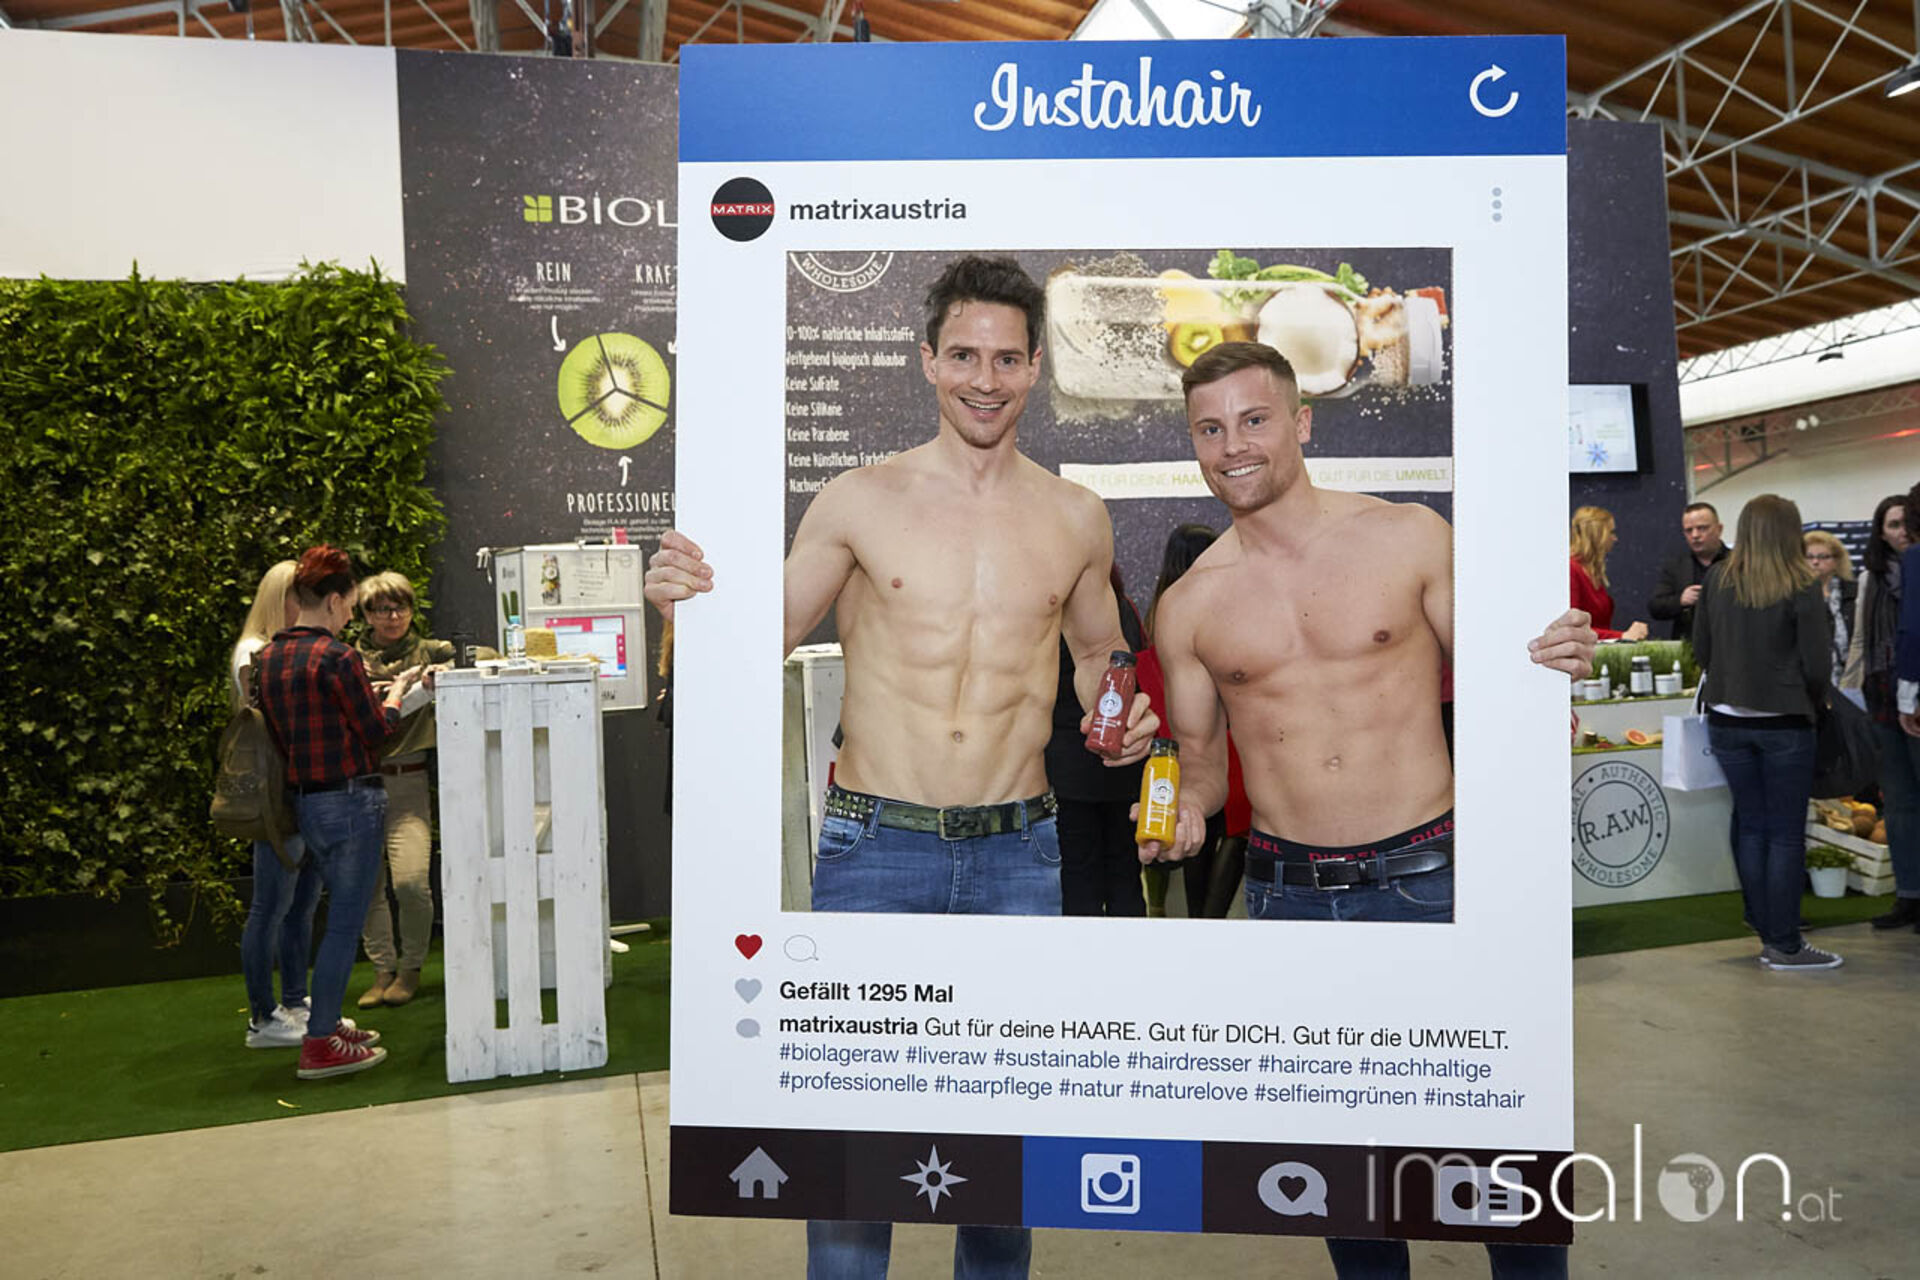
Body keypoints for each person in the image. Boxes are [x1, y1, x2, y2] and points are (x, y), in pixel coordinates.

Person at [644, 255, 1155, 1280]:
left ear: (1036, 366)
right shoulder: (858, 500)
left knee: (1000, 1155)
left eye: (1005, 359)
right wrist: (679, 607)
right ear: (927, 360)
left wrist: (1122, 713)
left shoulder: (1075, 514)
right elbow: (753, 640)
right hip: (877, 850)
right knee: (852, 1157)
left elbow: (1101, 652)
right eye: (963, 355)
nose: (984, 379)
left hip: (1020, 855)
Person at [1144, 342, 1595, 1279]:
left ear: (1303, 422)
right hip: (1289, 899)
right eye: (1210, 429)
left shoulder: (1409, 537)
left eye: (1255, 419)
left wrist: (1554, 656)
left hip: (1437, 878)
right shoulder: (1188, 606)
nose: (1233, 446)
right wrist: (1183, 811)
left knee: (1495, 1157)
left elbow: (1508, 680)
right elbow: (1205, 771)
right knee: (1345, 1177)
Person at [258, 545, 420, 1079]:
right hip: (352, 799)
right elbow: (375, 731)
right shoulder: (338, 657)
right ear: (332, 600)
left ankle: (323, 1024)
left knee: (329, 919)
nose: (352, 614)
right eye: (350, 604)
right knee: (344, 926)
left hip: (305, 802)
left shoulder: (271, 656)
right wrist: (395, 696)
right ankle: (321, 1041)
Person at [1691, 495, 1840, 969]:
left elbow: (1701, 649)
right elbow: (1817, 665)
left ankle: (1764, 926)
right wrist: (1813, 701)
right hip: (1786, 721)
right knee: (1785, 833)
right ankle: (1785, 943)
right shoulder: (1800, 583)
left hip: (1726, 720)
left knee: (1751, 825)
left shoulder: (1717, 579)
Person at [232, 560, 325, 1049]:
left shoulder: (280, 649)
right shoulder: (255, 651)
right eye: (298, 595)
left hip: (301, 789)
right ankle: (262, 1015)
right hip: (276, 794)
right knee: (271, 906)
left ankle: (293, 1001)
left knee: (300, 905)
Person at [1136, 523, 1251, 919]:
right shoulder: (1214, 610)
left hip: (1172, 737)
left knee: (1194, 826)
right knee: (1232, 832)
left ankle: (1196, 918)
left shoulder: (1160, 611)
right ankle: (1209, 918)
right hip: (1224, 736)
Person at [353, 571, 455, 1009]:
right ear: (366, 614)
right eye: (381, 609)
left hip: (408, 781)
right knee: (365, 886)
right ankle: (382, 969)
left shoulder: (430, 652)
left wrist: (443, 673)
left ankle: (411, 967)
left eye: (400, 607)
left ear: (412, 610)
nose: (392, 617)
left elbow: (479, 656)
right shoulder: (349, 660)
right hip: (358, 783)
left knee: (411, 882)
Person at [1045, 565, 1149, 917]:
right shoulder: (1125, 609)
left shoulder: (1052, 617)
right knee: (1125, 877)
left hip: (1066, 769)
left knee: (1078, 880)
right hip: (1123, 763)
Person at [1848, 493, 1919, 930]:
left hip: (1914, 693)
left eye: (1906, 522)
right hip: (1879, 694)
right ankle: (1909, 894)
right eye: (1893, 524)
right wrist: (1849, 690)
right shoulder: (1869, 579)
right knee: (1898, 799)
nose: (1902, 531)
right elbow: (1860, 638)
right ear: (1881, 532)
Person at [1649, 501, 1728, 640]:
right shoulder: (1676, 566)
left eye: (1702, 528)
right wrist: (1680, 600)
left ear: (1719, 529)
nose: (1695, 535)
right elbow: (1655, 607)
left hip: (1729, 640)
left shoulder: (1738, 562)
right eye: (1689, 530)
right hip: (1690, 643)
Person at [1569, 505, 1649, 641]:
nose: (1614, 538)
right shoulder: (1573, 570)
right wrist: (1622, 636)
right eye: (1611, 532)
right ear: (1597, 535)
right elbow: (1573, 628)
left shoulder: (1592, 572)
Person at [1802, 530, 1857, 691]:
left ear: (1837, 560)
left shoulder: (1854, 591)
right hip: (1811, 678)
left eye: (1823, 557)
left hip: (1851, 676)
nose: (1815, 562)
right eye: (1809, 557)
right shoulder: (1794, 595)